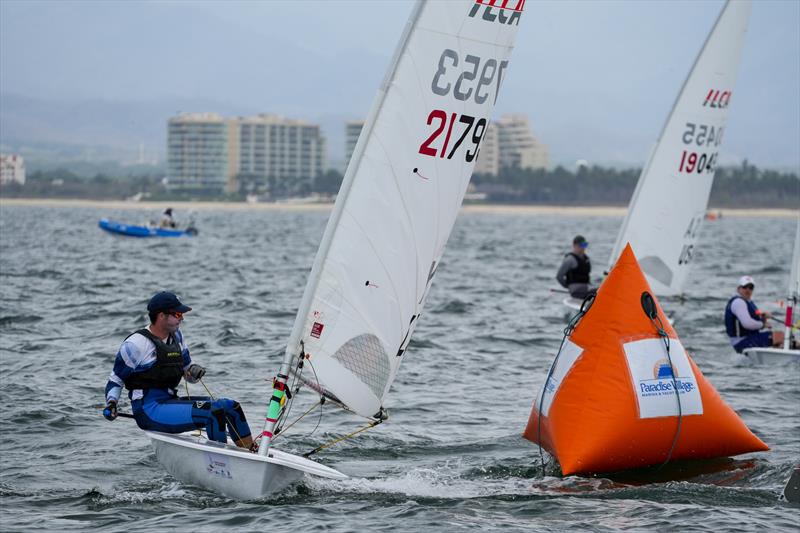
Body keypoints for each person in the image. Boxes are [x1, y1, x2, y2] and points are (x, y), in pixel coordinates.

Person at [102, 291, 256, 451]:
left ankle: (250, 452)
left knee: (231, 406)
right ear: (161, 316)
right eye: (177, 314)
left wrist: (193, 371)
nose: (181, 318)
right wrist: (111, 403)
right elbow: (116, 380)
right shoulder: (135, 345)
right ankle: (223, 463)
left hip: (169, 401)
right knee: (214, 411)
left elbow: (187, 373)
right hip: (148, 409)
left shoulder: (177, 336)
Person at [724, 275, 784, 353]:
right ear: (738, 289)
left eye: (751, 288)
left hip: (749, 339)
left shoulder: (747, 302)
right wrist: (763, 325)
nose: (748, 290)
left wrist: (763, 317)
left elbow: (753, 318)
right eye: (745, 287)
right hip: (742, 342)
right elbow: (747, 324)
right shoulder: (738, 302)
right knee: (781, 337)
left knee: (784, 337)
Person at [556, 235, 594, 299]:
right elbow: (559, 276)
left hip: (586, 288)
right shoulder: (570, 259)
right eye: (580, 245)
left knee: (602, 290)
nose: (583, 248)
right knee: (598, 292)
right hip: (576, 290)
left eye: (585, 245)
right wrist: (568, 286)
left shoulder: (586, 259)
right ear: (574, 245)